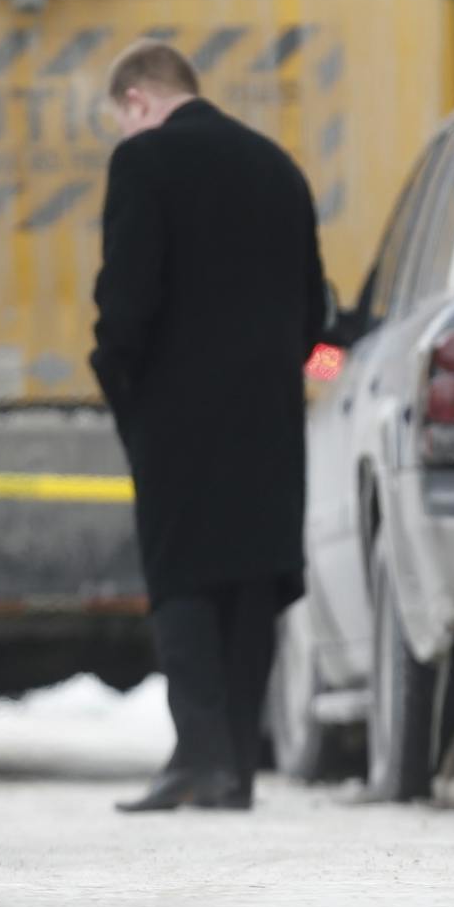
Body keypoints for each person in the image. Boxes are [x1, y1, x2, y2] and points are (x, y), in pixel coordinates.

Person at [90, 40, 328, 813]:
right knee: (251, 579)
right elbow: (312, 313)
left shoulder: (144, 163)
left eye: (123, 121)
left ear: (136, 101)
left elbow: (127, 296)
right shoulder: (277, 167)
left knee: (183, 575)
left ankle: (200, 756)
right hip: (267, 412)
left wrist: (116, 372)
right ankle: (233, 770)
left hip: (175, 411)